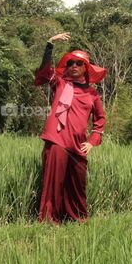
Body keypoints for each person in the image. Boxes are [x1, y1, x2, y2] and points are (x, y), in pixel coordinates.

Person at [33, 32, 107, 225]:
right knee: (53, 183)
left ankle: (78, 219)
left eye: (78, 63)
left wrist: (92, 141)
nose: (74, 66)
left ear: (85, 68)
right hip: (57, 141)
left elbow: (100, 119)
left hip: (77, 146)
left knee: (77, 185)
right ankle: (50, 221)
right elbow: (44, 73)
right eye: (70, 63)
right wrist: (50, 45)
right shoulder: (60, 83)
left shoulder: (92, 94)